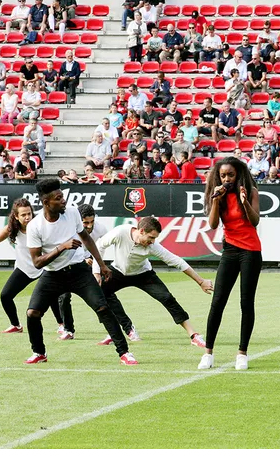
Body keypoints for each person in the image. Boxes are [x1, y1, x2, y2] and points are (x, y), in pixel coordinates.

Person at [23, 179, 137, 364]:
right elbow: (37, 262)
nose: (63, 201)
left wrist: (101, 264)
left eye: (63, 196)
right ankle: (39, 353)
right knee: (32, 313)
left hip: (78, 271)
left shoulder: (73, 213)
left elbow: (86, 238)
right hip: (53, 274)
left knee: (102, 307)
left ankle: (124, 352)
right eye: (58, 198)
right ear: (46, 202)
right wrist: (61, 248)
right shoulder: (34, 226)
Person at [91, 216, 212, 346]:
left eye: (155, 238)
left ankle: (194, 335)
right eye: (151, 237)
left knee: (167, 298)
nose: (153, 241)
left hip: (144, 275)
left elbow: (177, 261)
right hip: (118, 271)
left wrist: (200, 281)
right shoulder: (121, 232)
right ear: (141, 231)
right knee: (99, 294)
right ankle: (120, 330)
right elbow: (99, 246)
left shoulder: (153, 246)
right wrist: (97, 272)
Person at [198, 158, 262, 371]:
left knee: (246, 303)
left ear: (238, 174)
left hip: (250, 252)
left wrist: (244, 202)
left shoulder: (251, 191)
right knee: (218, 301)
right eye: (223, 175)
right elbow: (213, 224)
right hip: (230, 251)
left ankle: (242, 353)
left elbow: (255, 221)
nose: (226, 179)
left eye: (230, 175)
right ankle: (208, 353)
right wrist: (216, 200)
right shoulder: (218, 195)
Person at [0, 198, 64, 334]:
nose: (27, 217)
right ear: (16, 216)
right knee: (5, 296)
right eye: (23, 215)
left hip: (43, 267)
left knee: (52, 296)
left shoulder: (40, 226)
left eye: (29, 214)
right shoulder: (11, 228)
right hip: (24, 268)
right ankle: (16, 325)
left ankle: (61, 324)